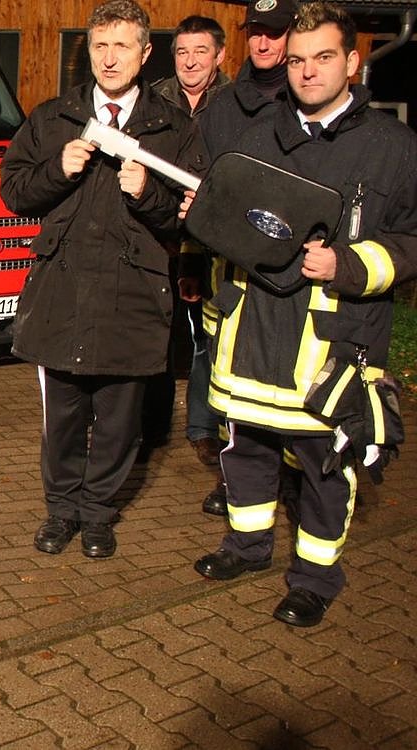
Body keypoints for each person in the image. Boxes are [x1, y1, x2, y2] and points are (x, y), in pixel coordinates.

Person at [190, 2, 417, 628]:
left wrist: (348, 263)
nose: (308, 72)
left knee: (325, 466)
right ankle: (246, 546)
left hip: (331, 339)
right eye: (296, 60)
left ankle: (315, 579)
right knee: (246, 449)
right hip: (252, 328)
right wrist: (203, 213)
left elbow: (411, 240)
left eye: (323, 58)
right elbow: (235, 220)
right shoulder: (258, 135)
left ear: (352, 61)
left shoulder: (394, 148)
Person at [0, 0, 204, 559]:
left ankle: (97, 514)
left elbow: (191, 216)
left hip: (133, 295)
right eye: (99, 46)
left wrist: (148, 193)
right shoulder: (53, 118)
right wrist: (56, 170)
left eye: (121, 46)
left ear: (145, 53)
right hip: (62, 292)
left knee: (118, 421)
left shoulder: (174, 127)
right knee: (63, 418)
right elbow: (14, 192)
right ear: (87, 51)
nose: (109, 59)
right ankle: (60, 510)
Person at [189, 0, 295, 516]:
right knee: (229, 384)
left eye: (273, 33)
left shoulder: (304, 99)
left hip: (293, 275)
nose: (262, 42)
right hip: (230, 272)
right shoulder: (223, 107)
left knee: (286, 386)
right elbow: (199, 187)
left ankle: (291, 477)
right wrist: (191, 260)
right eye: (255, 31)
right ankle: (235, 477)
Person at [151, 14, 230, 515]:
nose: (191, 61)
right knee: (153, 332)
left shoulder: (235, 104)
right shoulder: (155, 98)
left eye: (201, 51)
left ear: (219, 55)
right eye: (182, 52)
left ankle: (202, 427)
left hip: (207, 239)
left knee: (205, 337)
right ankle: (151, 423)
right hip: (157, 233)